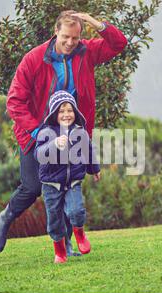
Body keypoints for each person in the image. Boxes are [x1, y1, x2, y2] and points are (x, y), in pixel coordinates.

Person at [0, 10, 127, 254]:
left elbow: (119, 44)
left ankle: (65, 245)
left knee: (65, 184)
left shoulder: (86, 52)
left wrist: (96, 23)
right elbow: (14, 102)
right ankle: (6, 217)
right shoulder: (33, 59)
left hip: (71, 133)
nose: (70, 43)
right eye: (65, 37)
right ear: (56, 32)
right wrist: (37, 131)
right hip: (36, 133)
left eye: (75, 38)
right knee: (32, 187)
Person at [34, 90, 100, 263]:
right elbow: (39, 155)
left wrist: (94, 169)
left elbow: (89, 151)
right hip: (51, 184)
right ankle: (60, 251)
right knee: (55, 221)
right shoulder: (46, 132)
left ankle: (80, 234)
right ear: (54, 113)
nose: (66, 114)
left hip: (73, 181)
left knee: (76, 211)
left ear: (75, 112)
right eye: (61, 111)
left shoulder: (80, 132)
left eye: (69, 110)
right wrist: (54, 144)